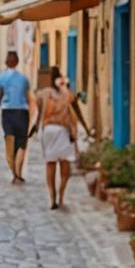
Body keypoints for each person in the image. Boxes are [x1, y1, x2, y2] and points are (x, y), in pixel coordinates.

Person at [35, 66, 91, 209]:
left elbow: (39, 108)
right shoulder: (66, 94)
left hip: (47, 130)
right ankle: (61, 195)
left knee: (50, 164)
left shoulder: (44, 93)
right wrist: (86, 128)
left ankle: (52, 197)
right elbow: (75, 108)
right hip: (61, 131)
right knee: (65, 166)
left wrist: (35, 128)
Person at [0, 50, 37, 182]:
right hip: (22, 113)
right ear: (17, 62)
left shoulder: (0, 78)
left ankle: (14, 172)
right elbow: (29, 99)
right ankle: (18, 172)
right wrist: (34, 119)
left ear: (6, 62)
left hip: (7, 113)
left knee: (10, 141)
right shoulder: (24, 79)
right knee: (22, 143)